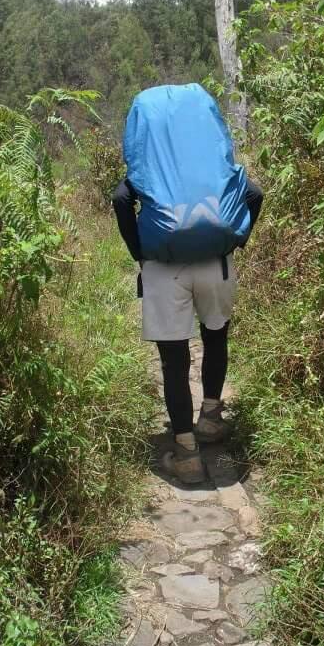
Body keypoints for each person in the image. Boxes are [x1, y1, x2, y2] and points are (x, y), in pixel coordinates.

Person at [113, 84, 263, 485]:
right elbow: (256, 194)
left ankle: (186, 452)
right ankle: (211, 419)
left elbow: (120, 201)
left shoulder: (152, 168)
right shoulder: (213, 168)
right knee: (216, 337)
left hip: (164, 267)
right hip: (216, 262)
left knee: (174, 359)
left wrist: (140, 253)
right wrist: (236, 240)